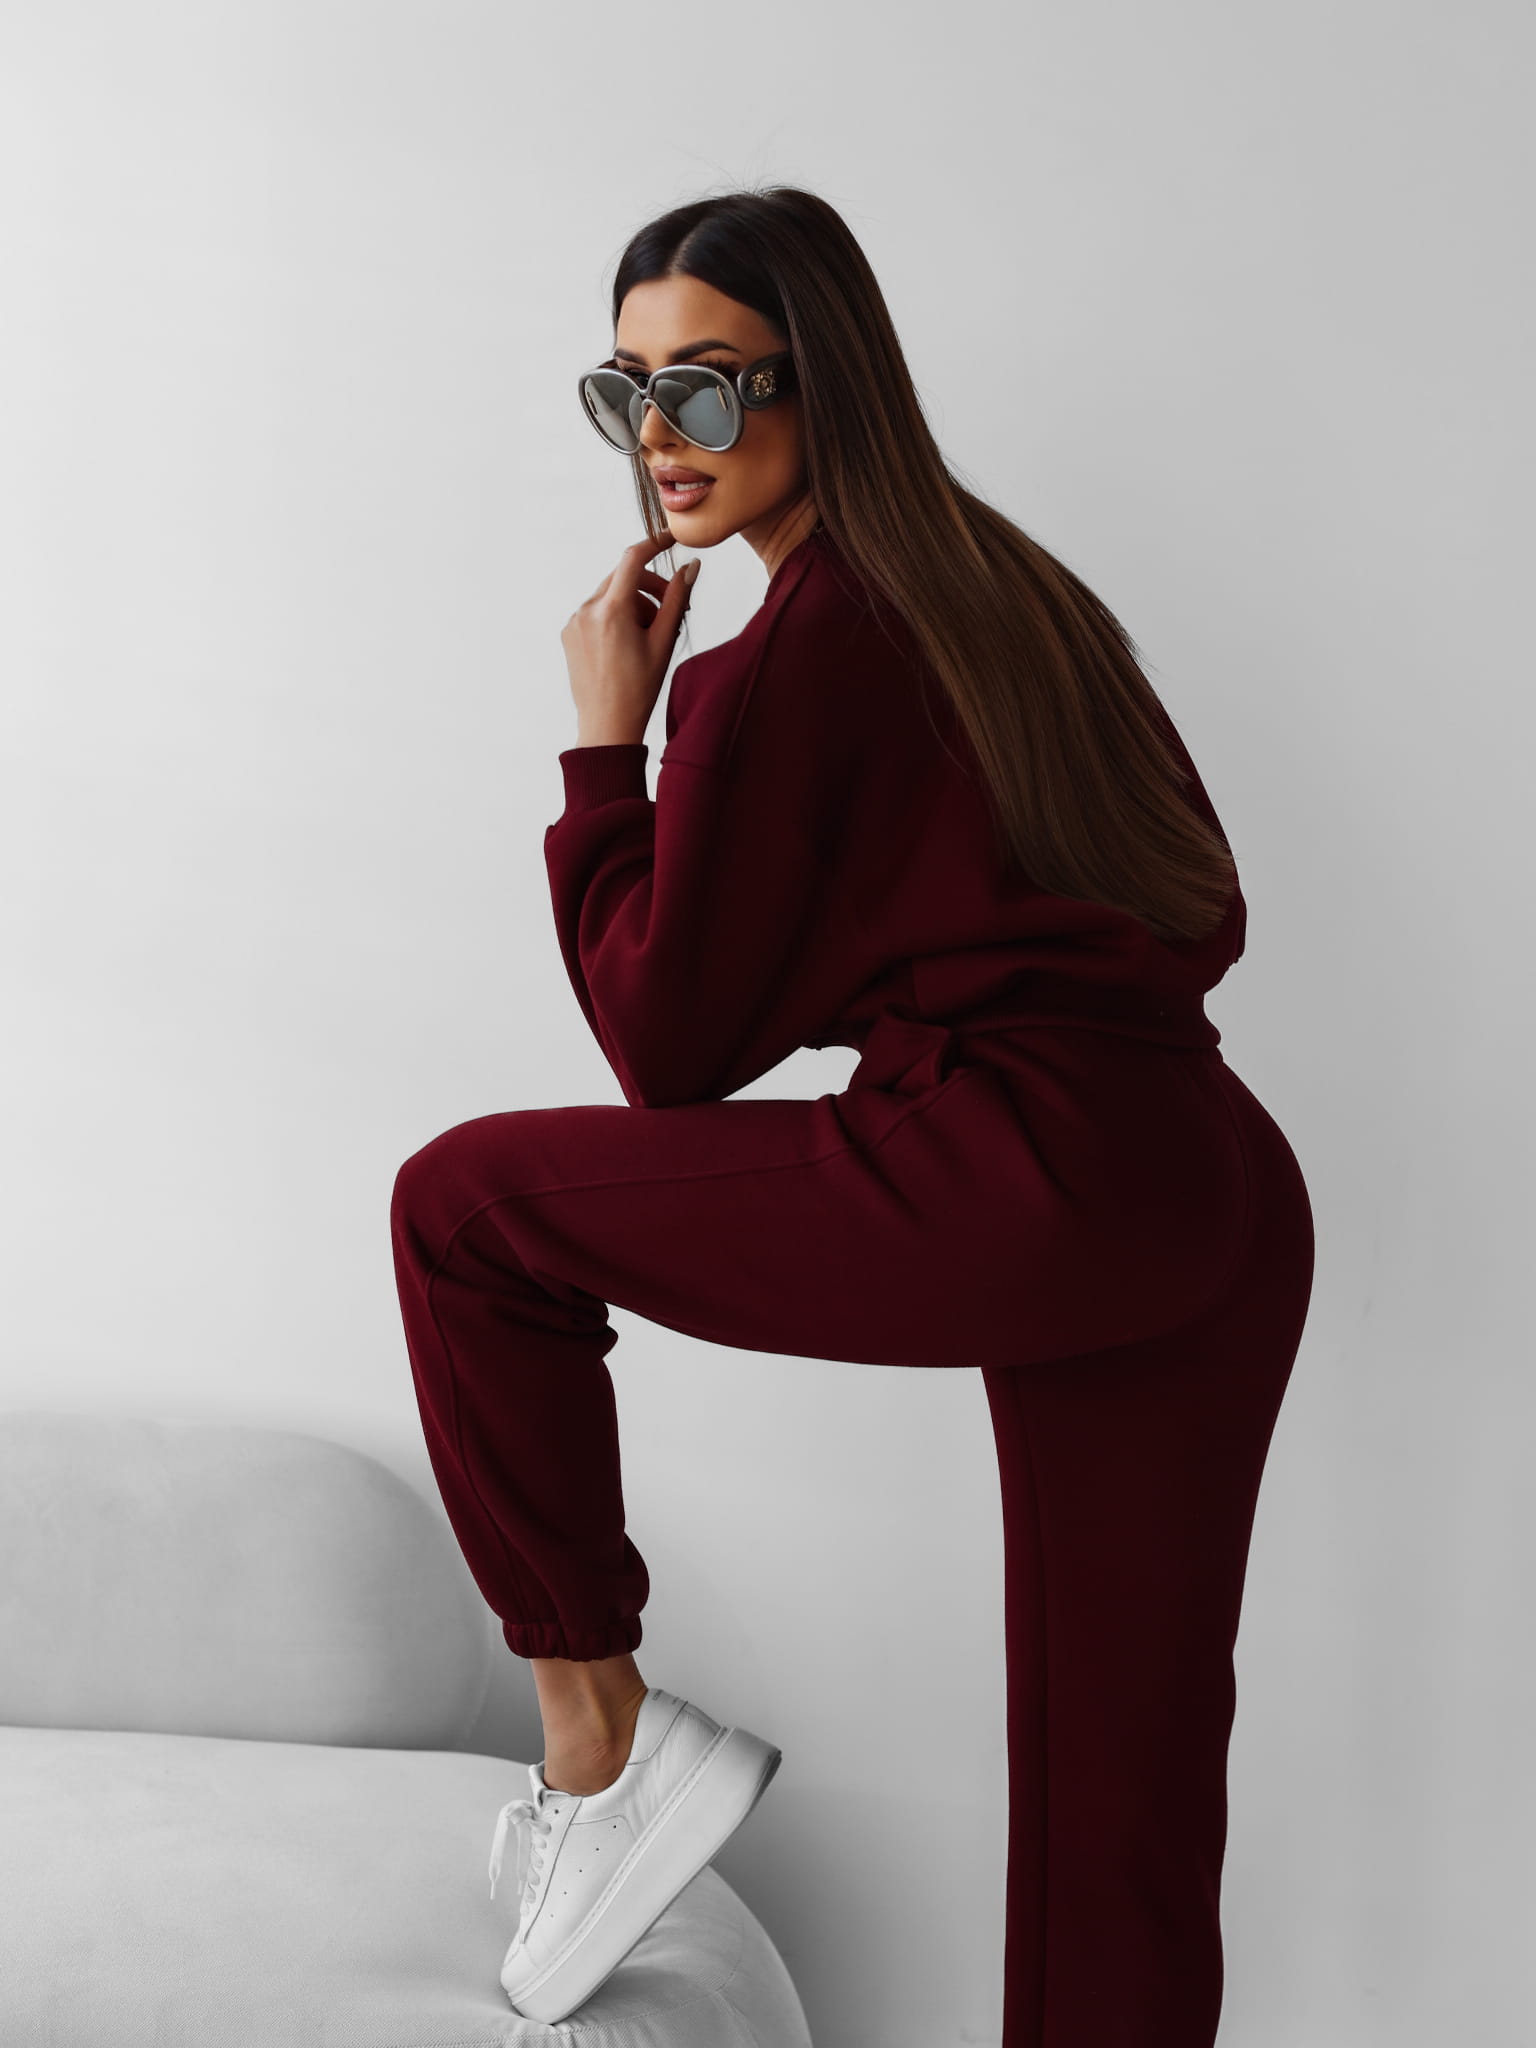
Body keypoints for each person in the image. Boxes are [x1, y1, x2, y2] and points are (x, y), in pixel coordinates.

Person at [389, 184, 1316, 2043]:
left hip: (1023, 1166)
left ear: (825, 384)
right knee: (1125, 1777)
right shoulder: (1016, 595)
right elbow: (1186, 900)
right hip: (1210, 1182)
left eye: (706, 388)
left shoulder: (791, 654)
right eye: (626, 391)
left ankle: (601, 1748)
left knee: (465, 1212)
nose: (660, 439)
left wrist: (605, 750)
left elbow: (669, 1043)